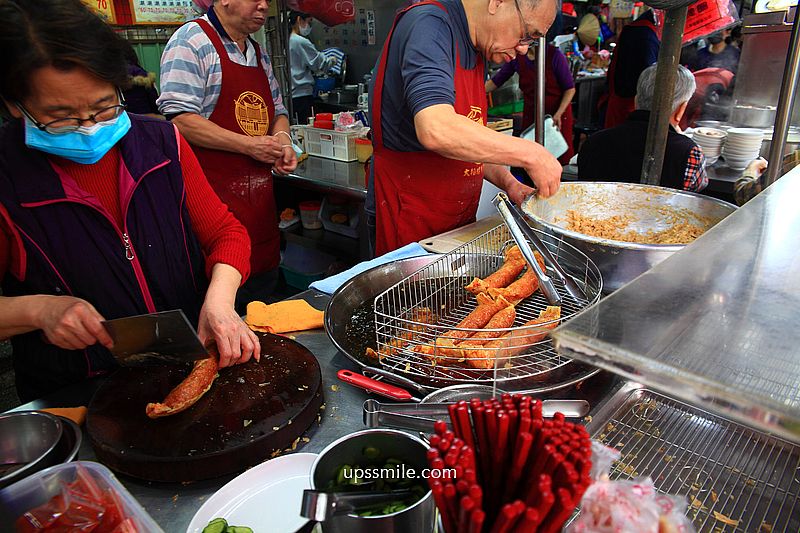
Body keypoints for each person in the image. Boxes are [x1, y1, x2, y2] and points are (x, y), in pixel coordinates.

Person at [0, 0, 260, 402]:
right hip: (81, 394)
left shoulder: (161, 142)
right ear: (14, 105)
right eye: (61, 116)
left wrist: (220, 302)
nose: (89, 128)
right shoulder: (7, 179)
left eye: (104, 106)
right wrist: (39, 311)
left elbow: (225, 232)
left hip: (188, 363)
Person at [367, 0, 563, 256]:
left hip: (451, 221)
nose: (524, 49)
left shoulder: (476, 44)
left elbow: (466, 138)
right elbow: (436, 128)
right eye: (527, 34)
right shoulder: (430, 25)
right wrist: (532, 154)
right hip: (409, 213)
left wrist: (509, 182)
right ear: (498, 2)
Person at [158, 0, 297, 312]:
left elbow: (279, 111)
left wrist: (283, 140)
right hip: (212, 204)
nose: (263, 6)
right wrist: (249, 145)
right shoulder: (191, 41)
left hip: (258, 205)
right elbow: (180, 120)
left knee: (261, 311)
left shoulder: (257, 53)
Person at [578, 64, 708, 192]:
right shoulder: (691, 153)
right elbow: (697, 186)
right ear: (681, 110)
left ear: (636, 101)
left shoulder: (592, 142)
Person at [486, 42, 576, 164]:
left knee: (559, 160)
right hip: (531, 115)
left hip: (557, 116)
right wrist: (474, 93)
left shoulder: (554, 55)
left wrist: (559, 113)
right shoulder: (518, 57)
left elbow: (570, 89)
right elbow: (496, 81)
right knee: (532, 160)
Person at [603, 8, 659, 129]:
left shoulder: (639, 29)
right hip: (628, 109)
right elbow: (648, 78)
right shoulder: (645, 35)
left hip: (623, 103)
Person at [288, 10, 335, 124]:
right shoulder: (300, 41)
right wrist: (331, 60)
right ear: (299, 20)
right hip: (302, 96)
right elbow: (319, 63)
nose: (309, 27)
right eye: (309, 22)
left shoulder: (287, 39)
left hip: (291, 96)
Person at [121, 41, 161, 117]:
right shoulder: (142, 73)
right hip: (147, 119)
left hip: (124, 121)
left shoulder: (111, 75)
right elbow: (154, 100)